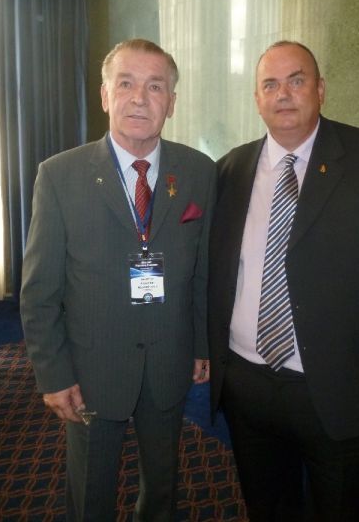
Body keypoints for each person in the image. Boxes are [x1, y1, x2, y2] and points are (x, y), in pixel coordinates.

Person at [208, 40, 359, 521]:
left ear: (321, 89)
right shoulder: (230, 169)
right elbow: (217, 273)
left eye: (297, 80)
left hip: (341, 385)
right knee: (267, 506)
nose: (283, 94)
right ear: (257, 99)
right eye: (270, 84)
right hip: (247, 383)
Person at [21, 38, 216, 521]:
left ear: (172, 101)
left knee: (163, 483)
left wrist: (201, 344)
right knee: (91, 490)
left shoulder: (199, 172)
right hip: (92, 368)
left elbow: (202, 272)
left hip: (169, 361)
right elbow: (39, 291)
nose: (139, 98)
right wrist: (54, 375)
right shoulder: (59, 176)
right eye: (125, 84)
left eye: (155, 87)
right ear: (105, 95)